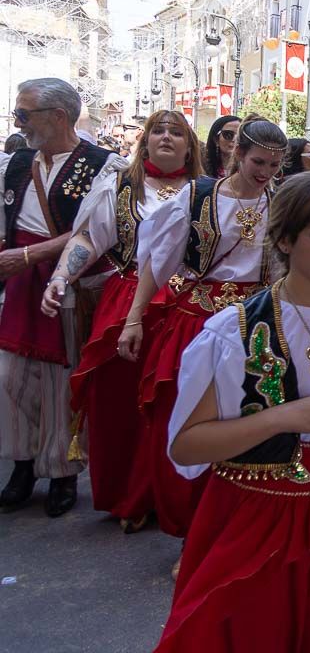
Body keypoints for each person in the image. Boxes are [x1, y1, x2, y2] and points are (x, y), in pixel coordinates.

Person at [155, 172, 310, 653]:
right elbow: (186, 444)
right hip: (253, 515)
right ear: (286, 239)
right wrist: (286, 417)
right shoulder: (235, 330)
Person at [118, 119, 287, 549]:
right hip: (196, 320)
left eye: (274, 164)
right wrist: (135, 318)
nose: (265, 171)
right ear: (237, 154)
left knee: (245, 422)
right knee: (188, 416)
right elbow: (158, 262)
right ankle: (189, 527)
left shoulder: (282, 204)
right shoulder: (197, 197)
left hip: (255, 323)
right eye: (258, 162)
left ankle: (231, 525)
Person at [37, 110, 201, 530]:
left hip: (185, 306)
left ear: (190, 145)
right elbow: (89, 238)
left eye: (176, 132)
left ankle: (165, 495)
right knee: (118, 402)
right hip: (128, 301)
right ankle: (128, 496)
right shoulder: (119, 187)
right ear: (144, 142)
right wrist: (60, 277)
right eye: (157, 131)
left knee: (169, 404)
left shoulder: (206, 193)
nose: (166, 137)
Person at [0, 78, 124, 516]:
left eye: (24, 113)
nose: (18, 122)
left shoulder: (106, 166)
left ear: (57, 116)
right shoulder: (15, 163)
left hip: (73, 284)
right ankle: (22, 466)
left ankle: (63, 472)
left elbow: (94, 231)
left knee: (62, 382)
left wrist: (30, 254)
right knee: (11, 379)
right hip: (20, 284)